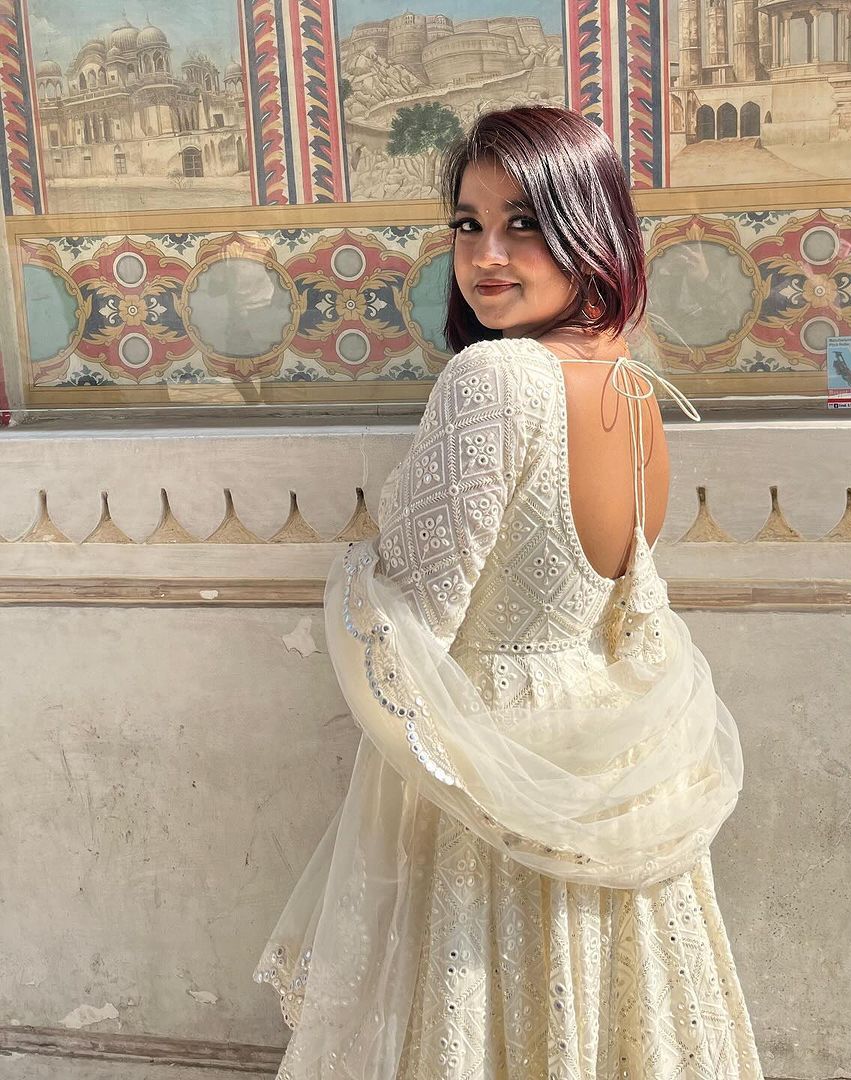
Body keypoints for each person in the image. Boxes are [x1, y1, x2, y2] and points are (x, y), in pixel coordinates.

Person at [255, 105, 764, 1080]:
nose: (485, 254)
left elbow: (414, 620)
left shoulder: (494, 380)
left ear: (588, 227)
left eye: (523, 222)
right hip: (600, 745)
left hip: (497, 756)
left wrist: (355, 571)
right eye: (467, 223)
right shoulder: (631, 382)